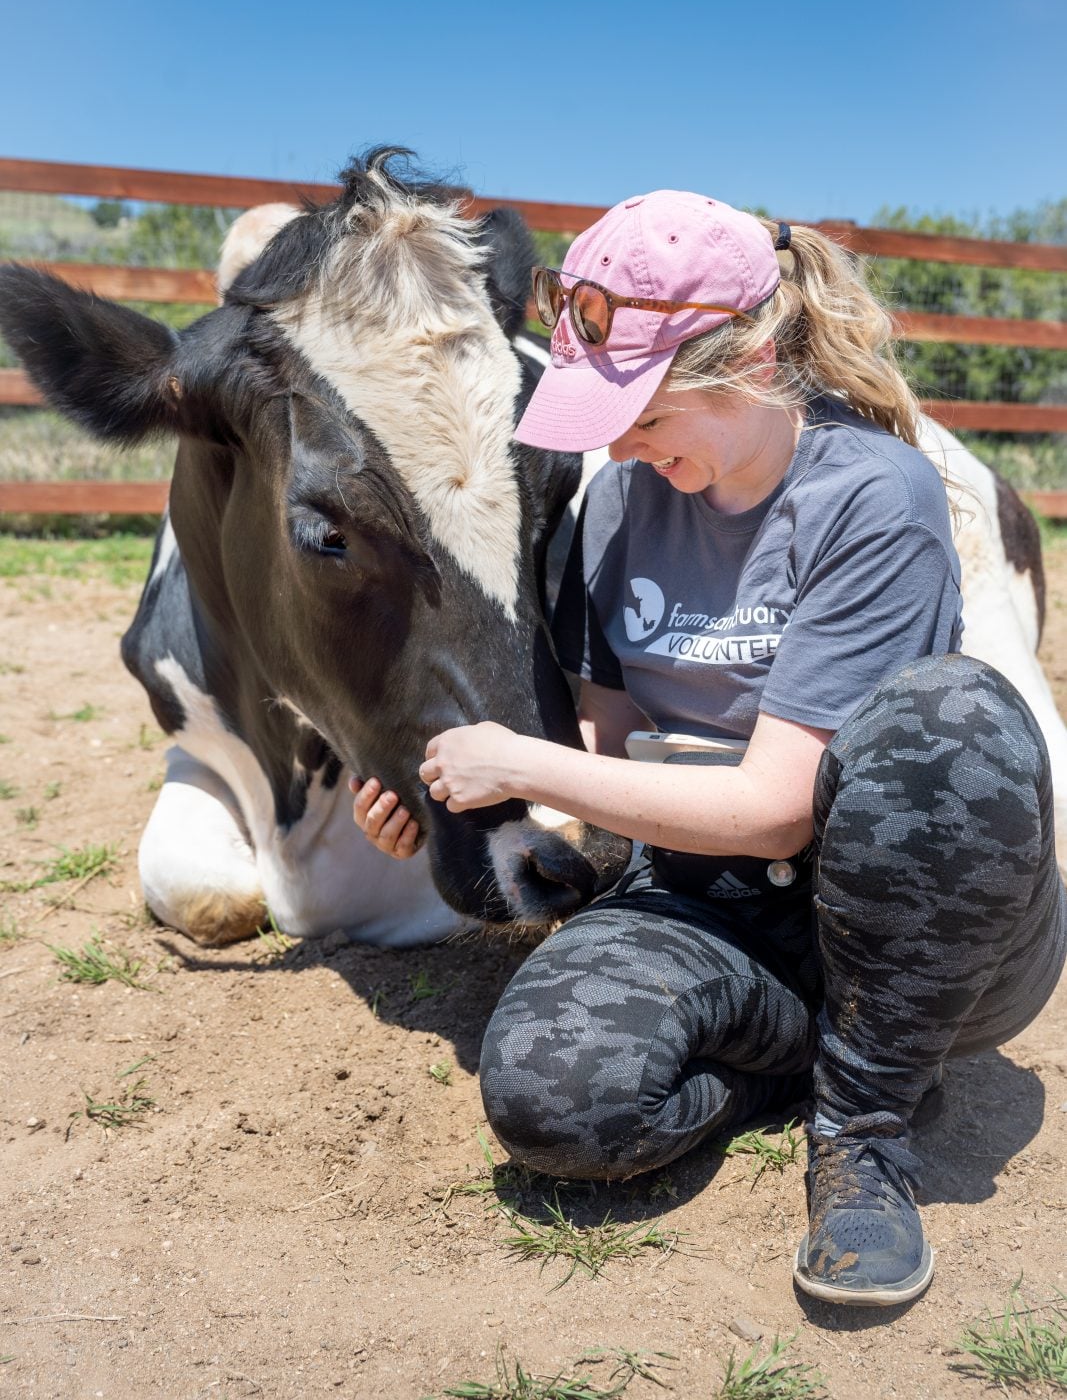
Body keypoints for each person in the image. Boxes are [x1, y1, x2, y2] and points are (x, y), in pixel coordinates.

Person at [350, 189, 1067, 1308]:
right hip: (704, 902)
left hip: (902, 923)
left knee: (950, 720)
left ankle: (865, 1121)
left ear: (752, 358)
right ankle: (802, 1057)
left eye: (642, 408)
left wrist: (520, 766)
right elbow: (607, 766)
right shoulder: (617, 503)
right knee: (550, 1101)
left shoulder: (870, 494)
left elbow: (778, 806)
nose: (620, 441)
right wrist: (448, 797)